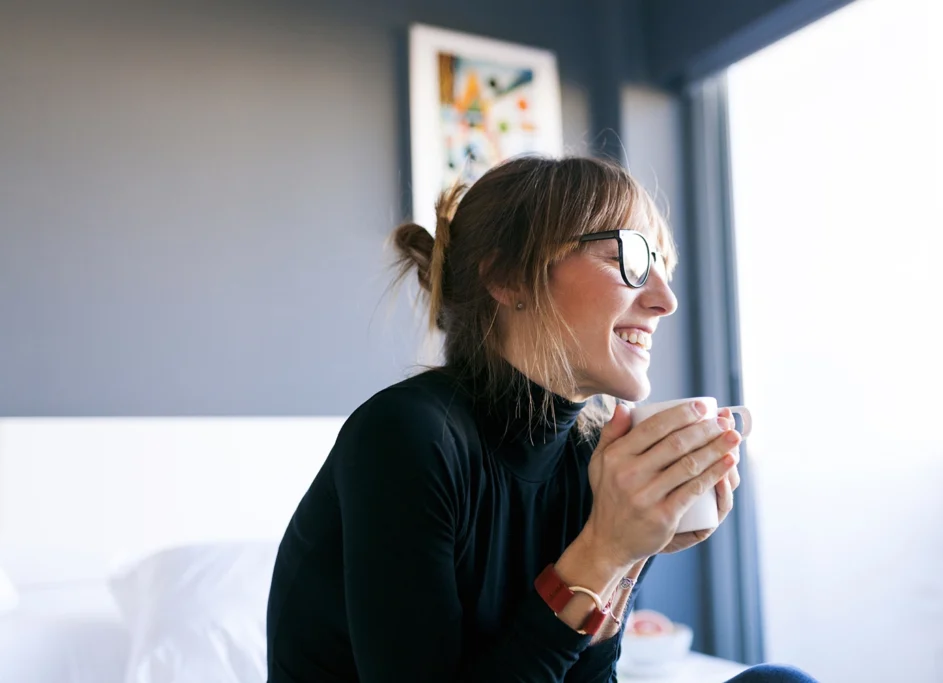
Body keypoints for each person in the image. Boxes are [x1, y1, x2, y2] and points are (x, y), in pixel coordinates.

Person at [266, 156, 817, 682]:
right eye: (631, 259)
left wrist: (631, 553)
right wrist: (603, 550)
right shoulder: (405, 436)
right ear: (510, 278)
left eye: (664, 268)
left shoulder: (594, 457)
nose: (665, 299)